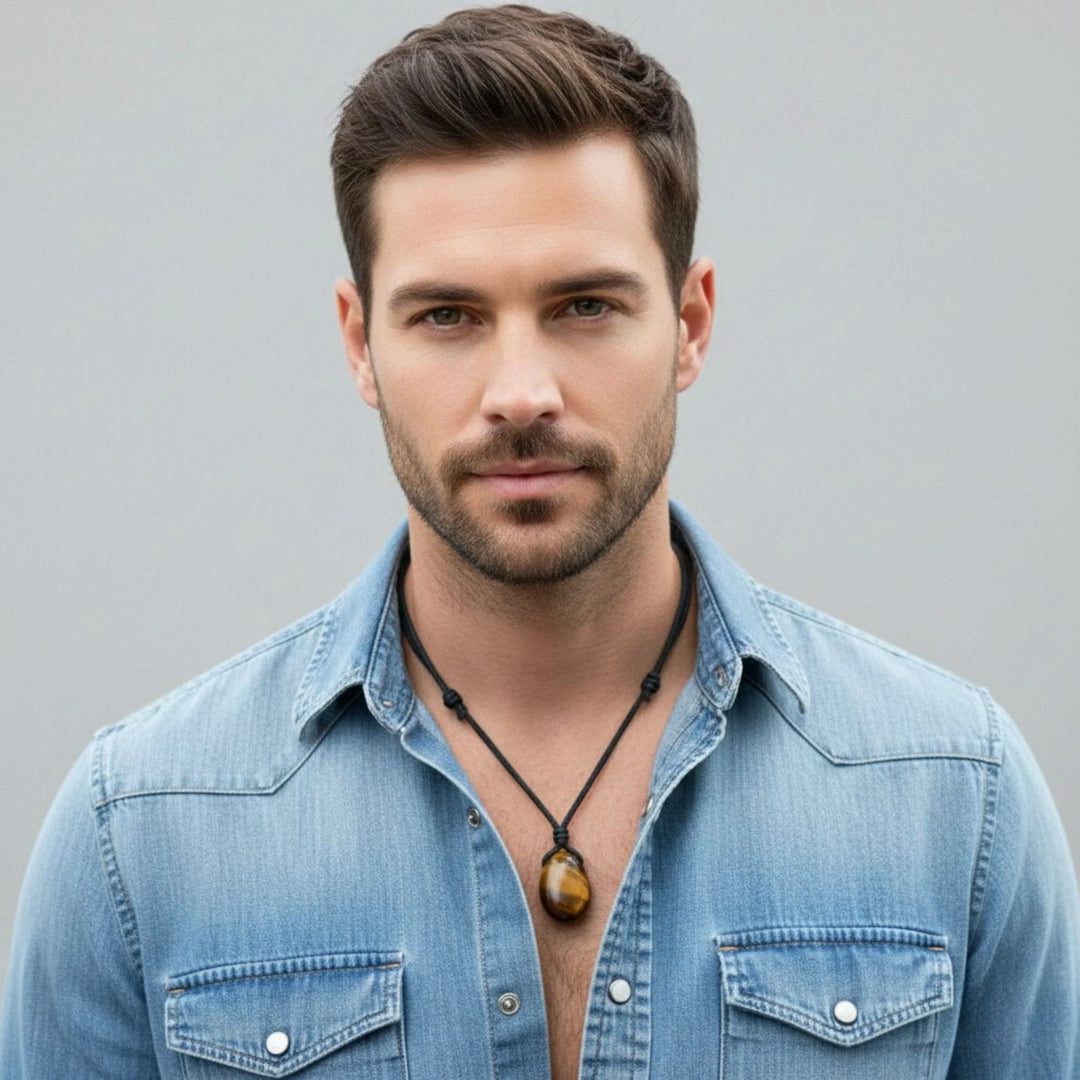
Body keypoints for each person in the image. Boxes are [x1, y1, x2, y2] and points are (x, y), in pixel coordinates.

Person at [3, 5, 1078, 1078]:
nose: (521, 395)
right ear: (358, 342)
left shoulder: (954, 796)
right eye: (447, 317)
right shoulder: (140, 834)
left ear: (691, 323)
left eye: (584, 306)